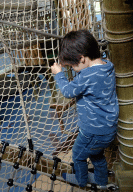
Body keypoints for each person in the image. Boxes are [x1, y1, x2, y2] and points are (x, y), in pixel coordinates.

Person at [51, 30, 119, 187]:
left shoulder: (87, 75)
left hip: (92, 131)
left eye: (73, 65)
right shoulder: (107, 66)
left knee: (78, 155)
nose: (73, 68)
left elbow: (68, 91)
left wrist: (59, 74)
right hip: (108, 129)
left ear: (82, 59)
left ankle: (81, 180)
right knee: (97, 155)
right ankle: (101, 181)